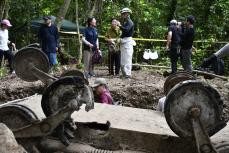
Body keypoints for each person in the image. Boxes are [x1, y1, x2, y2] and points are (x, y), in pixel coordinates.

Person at [117, 8, 136, 79]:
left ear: (127, 14)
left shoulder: (130, 22)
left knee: (127, 60)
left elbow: (127, 30)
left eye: (124, 14)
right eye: (122, 14)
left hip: (127, 42)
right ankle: (124, 74)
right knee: (123, 60)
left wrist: (120, 26)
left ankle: (128, 74)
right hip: (124, 42)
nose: (122, 15)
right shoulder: (126, 22)